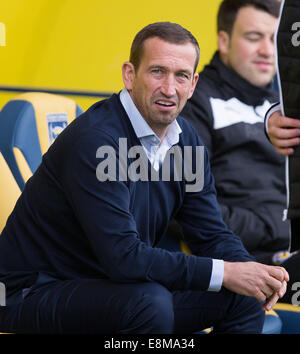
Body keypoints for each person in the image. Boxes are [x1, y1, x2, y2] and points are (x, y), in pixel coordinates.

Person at [0, 22, 288, 334]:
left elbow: (211, 233)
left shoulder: (185, 141)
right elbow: (123, 258)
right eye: (157, 72)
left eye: (180, 76)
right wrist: (225, 272)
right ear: (129, 75)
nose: (169, 88)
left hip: (110, 288)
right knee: (149, 304)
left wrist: (253, 274)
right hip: (30, 293)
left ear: (193, 84)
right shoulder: (97, 140)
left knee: (244, 297)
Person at [177, 0, 293, 266]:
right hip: (242, 261)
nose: (267, 50)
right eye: (254, 38)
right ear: (224, 41)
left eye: (274, 38)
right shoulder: (192, 104)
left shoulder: (283, 105)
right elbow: (186, 207)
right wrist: (278, 227)